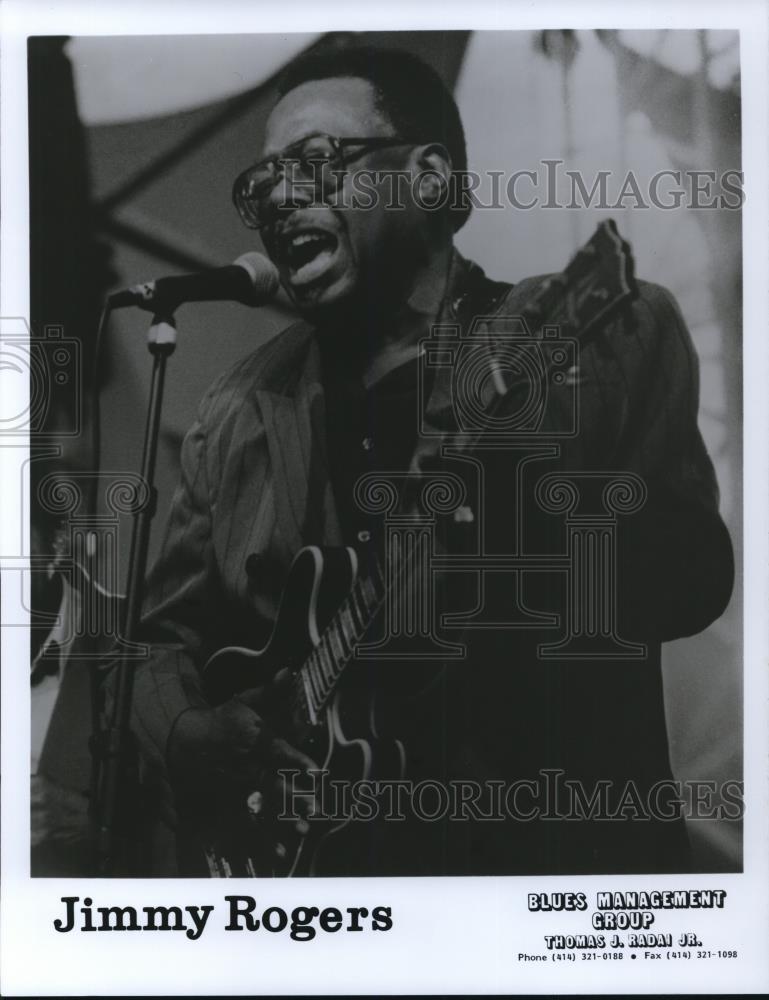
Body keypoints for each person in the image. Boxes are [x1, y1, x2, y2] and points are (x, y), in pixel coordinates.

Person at [125, 46, 734, 876]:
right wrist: (185, 732)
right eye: (262, 183)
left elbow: (691, 575)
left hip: (539, 870)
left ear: (430, 178)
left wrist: (535, 518)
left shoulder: (591, 338)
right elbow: (159, 639)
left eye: (314, 162)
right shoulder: (235, 412)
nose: (279, 199)